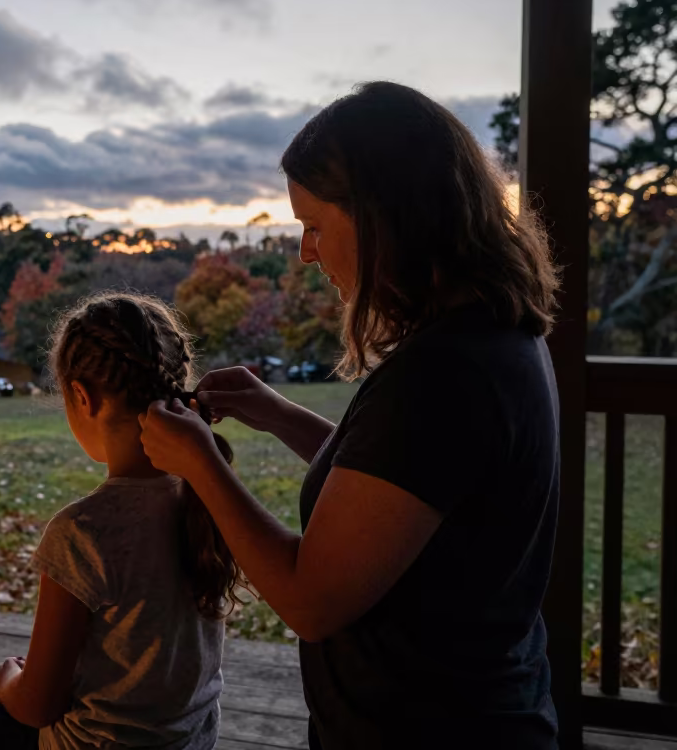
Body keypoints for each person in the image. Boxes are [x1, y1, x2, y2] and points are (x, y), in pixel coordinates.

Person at [140, 82, 562, 750]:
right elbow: (401, 488)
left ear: (387, 216)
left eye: (315, 227)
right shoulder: (491, 335)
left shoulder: (442, 376)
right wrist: (279, 414)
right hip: (482, 705)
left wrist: (199, 464)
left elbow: (311, 600)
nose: (306, 252)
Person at [0, 292, 241, 750]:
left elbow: (37, 707)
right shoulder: (207, 496)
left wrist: (7, 682)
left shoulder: (84, 531)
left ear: (82, 397)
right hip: (189, 742)